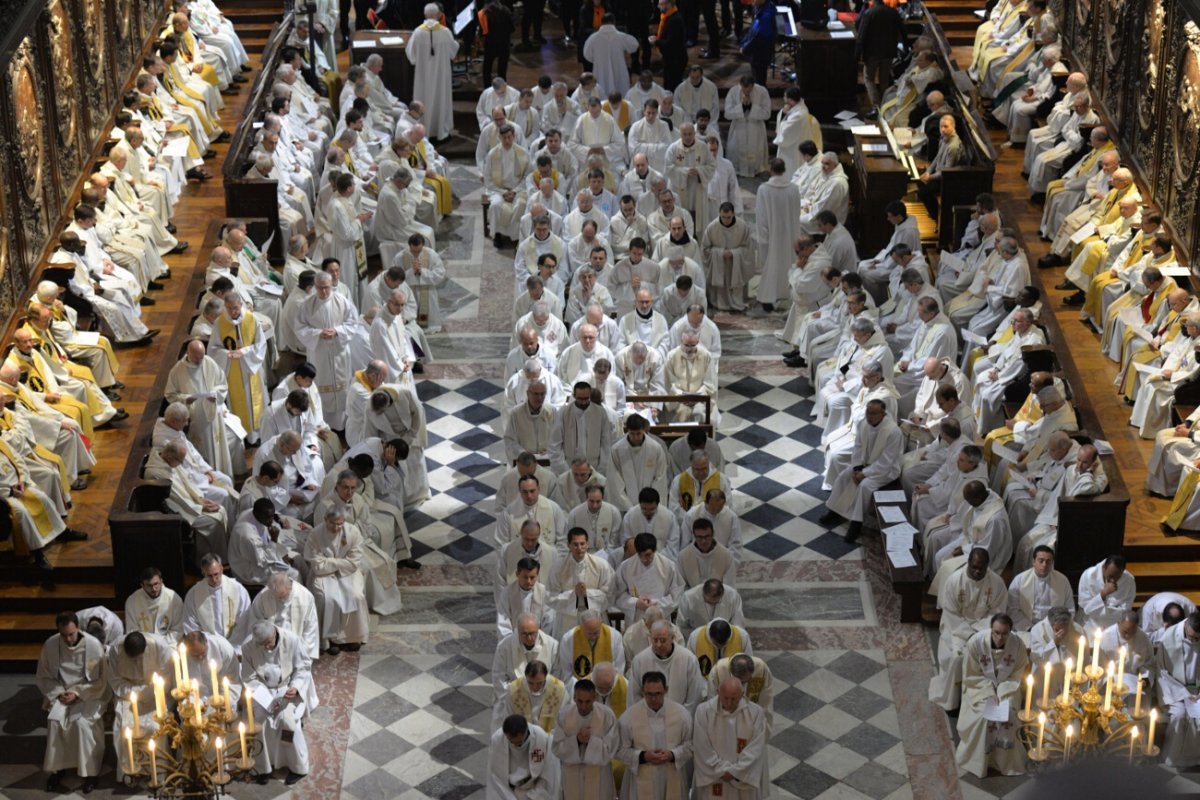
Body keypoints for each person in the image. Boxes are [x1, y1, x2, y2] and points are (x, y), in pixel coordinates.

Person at [37, 612, 108, 794]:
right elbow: (44, 676)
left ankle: (90, 773)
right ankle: (58, 769)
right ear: (58, 631)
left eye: (71, 634)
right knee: (55, 723)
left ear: (78, 628)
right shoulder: (51, 645)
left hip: (88, 693)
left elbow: (102, 679)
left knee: (82, 725)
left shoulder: (93, 645)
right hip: (61, 693)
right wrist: (60, 693)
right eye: (64, 635)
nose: (68, 639)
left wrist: (77, 693)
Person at [928, 549, 1008, 711]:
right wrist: (970, 634)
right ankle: (952, 701)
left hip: (985, 630)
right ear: (968, 563)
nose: (977, 571)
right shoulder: (954, 581)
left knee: (991, 657)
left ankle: (980, 702)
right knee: (956, 658)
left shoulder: (996, 583)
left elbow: (997, 613)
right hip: (956, 629)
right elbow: (951, 614)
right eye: (974, 567)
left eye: (982, 568)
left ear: (988, 566)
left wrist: (981, 633)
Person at [240, 620, 315, 785]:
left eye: (268, 643)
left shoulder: (292, 640)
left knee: (285, 720)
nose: (266, 648)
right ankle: (263, 767)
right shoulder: (248, 646)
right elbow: (249, 677)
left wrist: (295, 687)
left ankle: (297, 767)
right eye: (262, 645)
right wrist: (265, 698)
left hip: (286, 687)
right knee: (260, 720)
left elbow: (303, 667)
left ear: (274, 633)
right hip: (261, 691)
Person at [955, 614, 1028, 778]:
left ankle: (1004, 762)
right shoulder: (976, 643)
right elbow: (971, 675)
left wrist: (1001, 693)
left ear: (1010, 631)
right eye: (996, 632)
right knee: (984, 718)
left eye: (1004, 633)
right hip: (979, 688)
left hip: (1008, 689)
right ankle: (981, 760)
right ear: (991, 629)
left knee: (1007, 714)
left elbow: (1017, 675)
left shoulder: (1017, 645)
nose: (1000, 638)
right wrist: (989, 692)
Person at [618, 670, 693, 799]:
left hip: (672, 776)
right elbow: (620, 750)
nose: (653, 699)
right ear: (642, 691)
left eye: (658, 694)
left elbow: (690, 745)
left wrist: (673, 754)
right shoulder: (629, 717)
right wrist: (642, 756)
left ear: (666, 689)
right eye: (649, 694)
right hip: (640, 780)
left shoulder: (681, 714)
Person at [692, 676, 768, 799]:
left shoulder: (755, 713)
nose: (729, 703)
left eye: (734, 699)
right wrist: (722, 771)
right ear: (718, 692)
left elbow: (756, 749)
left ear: (742, 694)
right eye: (725, 698)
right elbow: (701, 747)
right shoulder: (704, 711)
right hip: (714, 780)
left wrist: (735, 772)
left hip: (742, 781)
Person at [208, 293, 268, 445]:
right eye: (229, 308)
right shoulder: (220, 323)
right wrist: (226, 354)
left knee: (255, 398)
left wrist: (244, 352)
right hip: (231, 366)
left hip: (250, 366)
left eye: (235, 308)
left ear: (240, 305)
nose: (233, 311)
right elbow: (213, 349)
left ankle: (258, 433)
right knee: (237, 400)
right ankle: (244, 435)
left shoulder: (251, 319)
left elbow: (261, 344)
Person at [553, 678, 620, 800]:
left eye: (588, 701)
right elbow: (557, 748)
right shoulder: (564, 715)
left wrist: (590, 741)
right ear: (574, 698)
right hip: (571, 776)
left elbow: (611, 750)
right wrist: (577, 740)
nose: (583, 706)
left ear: (594, 698)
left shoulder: (606, 715)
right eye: (580, 701)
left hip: (599, 775)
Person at [754, 159, 803, 312]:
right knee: (788, 263)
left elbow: (761, 218)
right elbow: (797, 213)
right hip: (790, 235)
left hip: (772, 236)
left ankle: (768, 297)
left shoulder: (764, 189)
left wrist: (763, 239)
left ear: (771, 169)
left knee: (771, 264)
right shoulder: (794, 189)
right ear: (784, 170)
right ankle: (787, 294)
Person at [406, 4, 459, 141]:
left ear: (424, 15)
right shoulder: (445, 32)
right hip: (441, 75)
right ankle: (441, 131)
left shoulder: (418, 32)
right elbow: (453, 52)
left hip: (423, 76)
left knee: (424, 98)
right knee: (441, 99)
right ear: (439, 15)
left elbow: (410, 54)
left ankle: (424, 131)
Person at [1156, 612, 1200, 766]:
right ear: (1186, 625)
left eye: (1198, 639)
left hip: (1197, 692)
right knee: (1179, 715)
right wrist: (1184, 694)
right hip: (1175, 690)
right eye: (1192, 637)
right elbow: (1162, 672)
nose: (1195, 641)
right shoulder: (1169, 637)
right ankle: (1172, 759)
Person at [250, 571, 321, 660]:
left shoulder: (305, 596)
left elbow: (310, 627)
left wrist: (303, 651)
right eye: (275, 596)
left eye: (282, 595)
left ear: (289, 587)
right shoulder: (263, 596)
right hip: (272, 641)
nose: (279, 599)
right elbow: (255, 620)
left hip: (297, 641)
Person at [487, 714, 562, 799]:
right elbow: (496, 776)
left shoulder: (540, 738)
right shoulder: (497, 740)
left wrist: (534, 796)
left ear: (526, 731)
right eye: (511, 742)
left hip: (535, 788)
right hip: (509, 789)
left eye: (520, 743)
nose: (516, 746)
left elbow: (547, 773)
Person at [183, 553, 251, 645]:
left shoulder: (238, 590)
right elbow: (191, 624)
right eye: (209, 576)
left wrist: (232, 645)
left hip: (234, 644)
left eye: (216, 574)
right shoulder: (193, 594)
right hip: (207, 646)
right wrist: (207, 644)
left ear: (221, 569)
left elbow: (244, 619)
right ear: (203, 573)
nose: (214, 579)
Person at [1006, 546, 1074, 633]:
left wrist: (1059, 626)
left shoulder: (1062, 580)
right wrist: (1030, 629)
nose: (1044, 565)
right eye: (1041, 561)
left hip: (1055, 629)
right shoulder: (1019, 580)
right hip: (1026, 629)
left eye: (1048, 561)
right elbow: (1012, 609)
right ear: (1034, 562)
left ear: (1052, 563)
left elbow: (1070, 608)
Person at [856, 0, 904, 109]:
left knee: (868, 79)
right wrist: (905, 46)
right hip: (889, 51)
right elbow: (902, 31)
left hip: (872, 52)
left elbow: (861, 35)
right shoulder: (893, 12)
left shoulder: (869, 13)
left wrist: (856, 54)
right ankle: (885, 105)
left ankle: (876, 106)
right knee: (884, 79)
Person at [125, 567, 185, 645]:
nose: (153, 589)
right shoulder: (132, 601)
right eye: (149, 585)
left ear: (161, 581)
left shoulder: (173, 599)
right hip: (143, 647)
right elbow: (132, 631)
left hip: (169, 645)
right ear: (142, 585)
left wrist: (162, 646)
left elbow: (178, 629)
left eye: (156, 584)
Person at [584, 13, 639, 96]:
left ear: (601, 23)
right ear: (614, 22)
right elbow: (635, 45)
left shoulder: (593, 38)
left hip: (600, 70)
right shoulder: (621, 36)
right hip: (619, 70)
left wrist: (597, 60)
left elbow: (586, 54)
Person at [1076, 555, 1136, 630]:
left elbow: (1125, 611)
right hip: (1090, 623)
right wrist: (1103, 594)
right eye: (1111, 576)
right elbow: (1086, 609)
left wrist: (1101, 611)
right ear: (1104, 567)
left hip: (1115, 626)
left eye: (1117, 577)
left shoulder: (1129, 580)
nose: (1113, 580)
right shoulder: (1088, 575)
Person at [651, 0, 687, 92]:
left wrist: (656, 42)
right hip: (671, 58)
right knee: (668, 86)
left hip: (675, 60)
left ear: (669, 5)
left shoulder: (674, 20)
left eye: (661, 4)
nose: (658, 6)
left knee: (672, 88)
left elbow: (671, 43)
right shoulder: (668, 17)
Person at [739, 0, 777, 87]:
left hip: (761, 54)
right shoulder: (758, 7)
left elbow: (758, 37)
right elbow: (752, 29)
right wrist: (744, 43)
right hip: (756, 54)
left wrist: (745, 48)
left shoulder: (766, 15)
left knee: (760, 83)